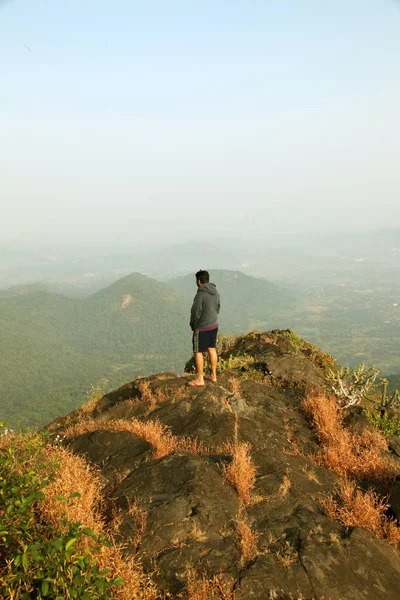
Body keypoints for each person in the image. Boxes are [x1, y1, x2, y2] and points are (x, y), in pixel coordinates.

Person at [189, 270, 220, 387]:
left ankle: (200, 379)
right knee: (212, 349)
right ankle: (213, 376)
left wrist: (193, 325)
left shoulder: (200, 294)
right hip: (214, 325)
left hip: (202, 328)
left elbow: (195, 312)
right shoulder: (215, 292)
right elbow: (218, 308)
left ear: (199, 281)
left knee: (198, 351)